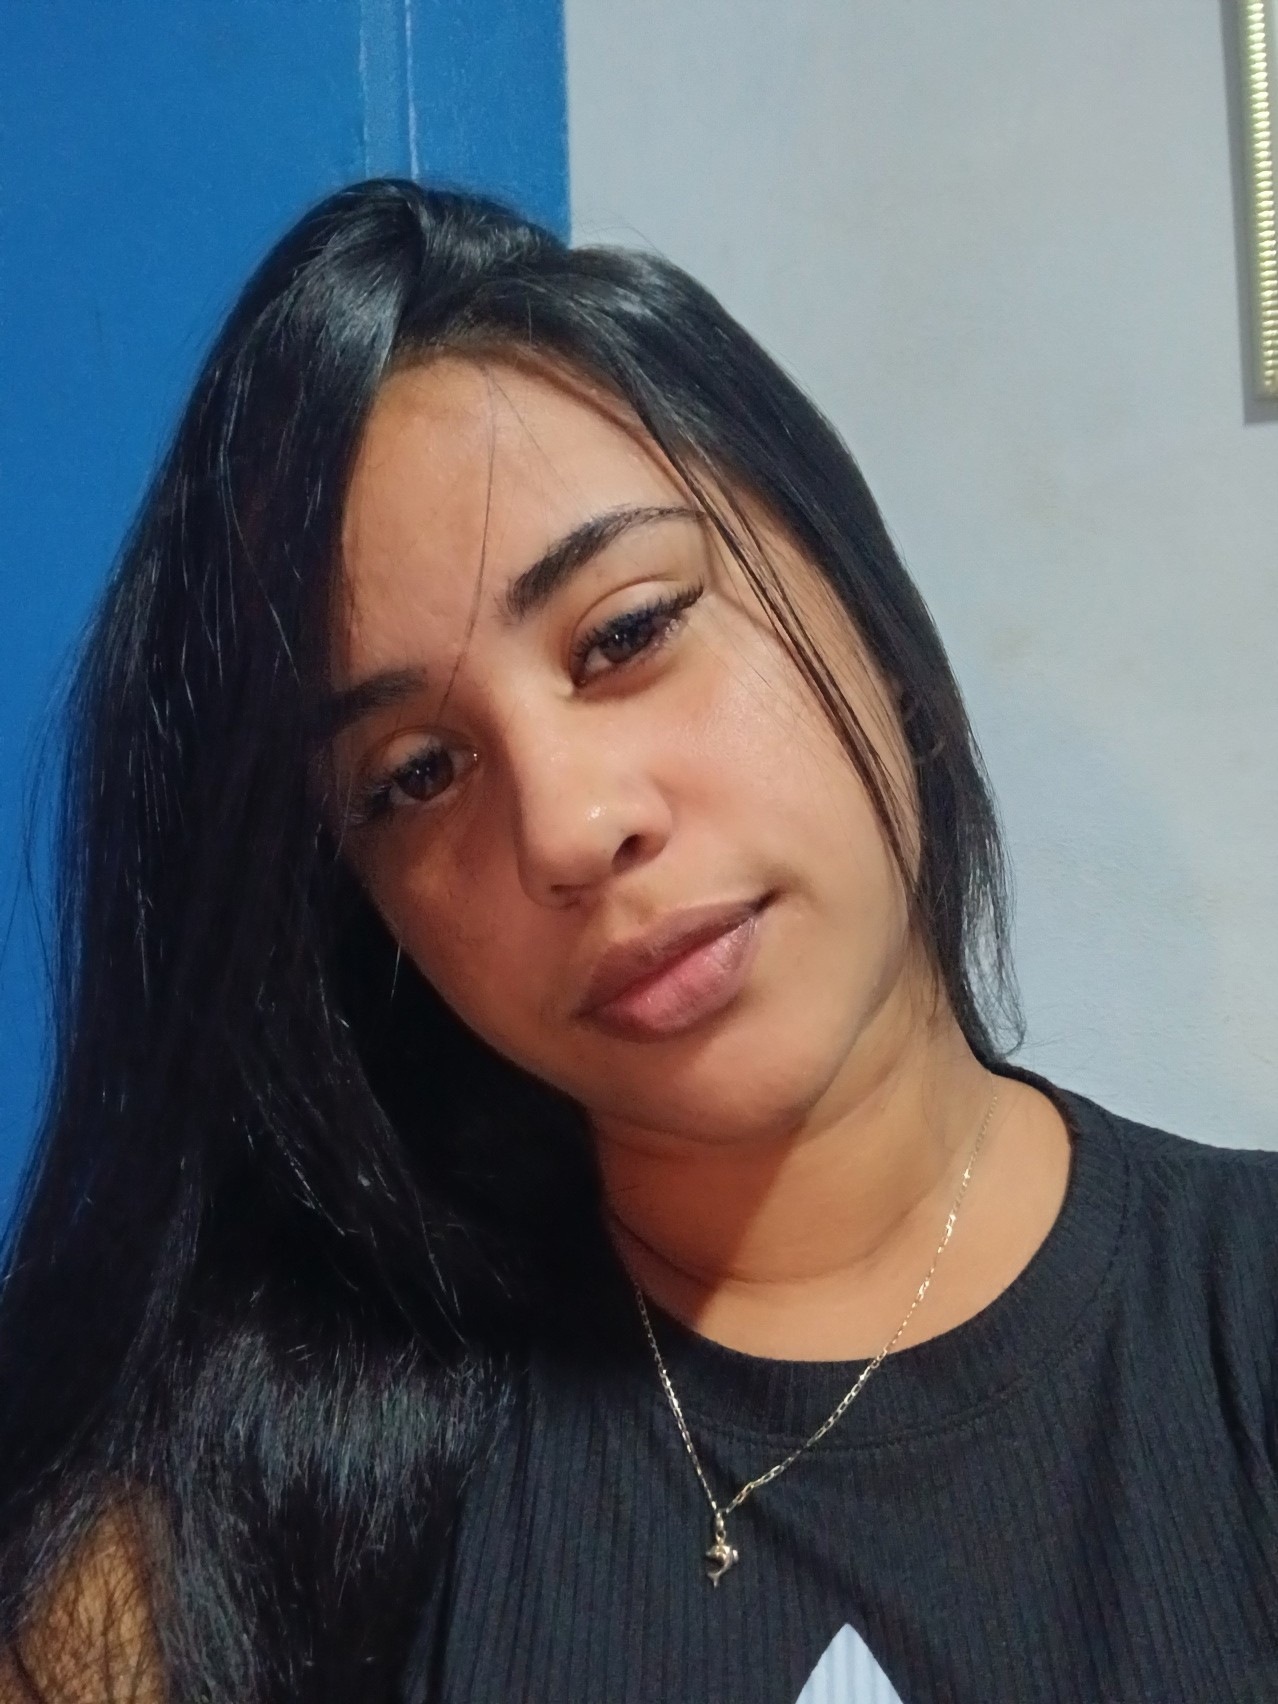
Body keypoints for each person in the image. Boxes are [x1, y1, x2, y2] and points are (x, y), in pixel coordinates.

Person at [0, 178, 1274, 1704]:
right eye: (415, 774)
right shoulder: (225, 1525)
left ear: (851, 584)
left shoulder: (1234, 1326)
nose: (566, 827)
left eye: (625, 632)